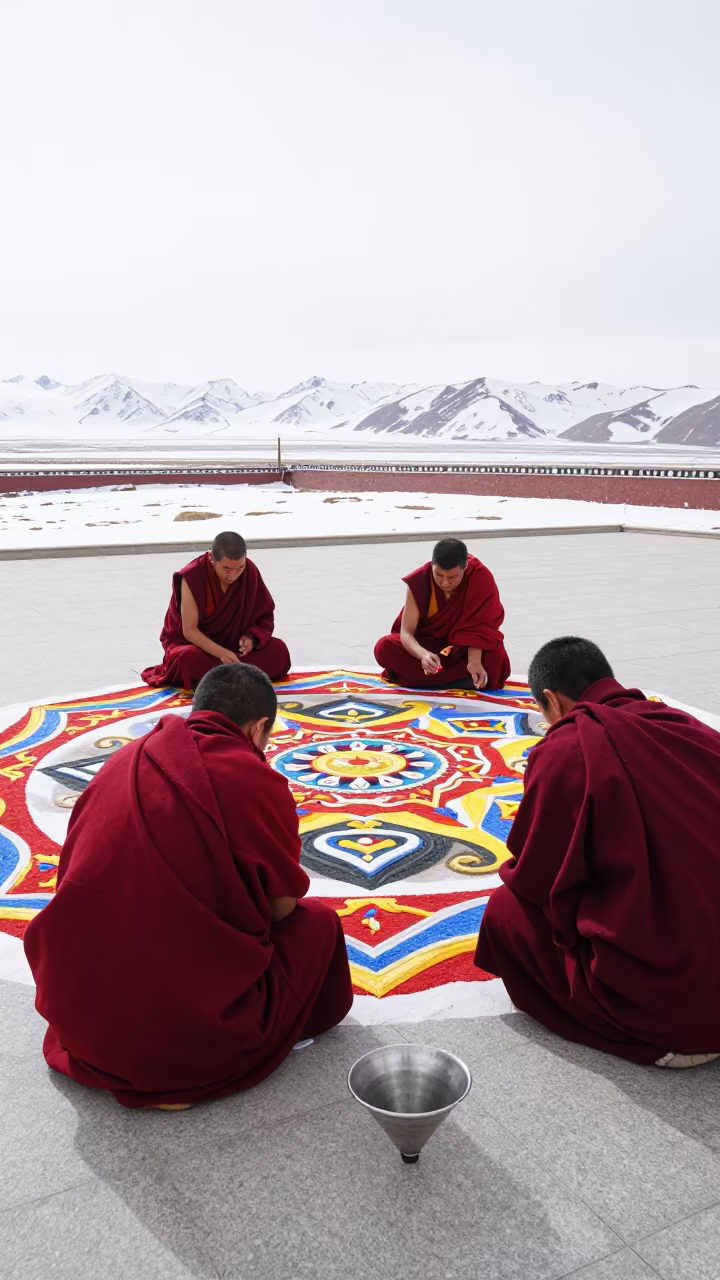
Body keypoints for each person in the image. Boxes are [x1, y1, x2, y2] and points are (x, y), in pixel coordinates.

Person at [24, 664, 353, 1109]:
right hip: (180, 1035)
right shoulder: (253, 779)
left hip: (78, 1009)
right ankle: (213, 1056)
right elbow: (281, 909)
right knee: (319, 926)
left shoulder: (129, 757)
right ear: (259, 730)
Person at [475, 636, 720, 1069]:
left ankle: (639, 1026)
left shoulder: (568, 749)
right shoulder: (687, 728)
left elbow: (536, 877)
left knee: (505, 911)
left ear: (551, 700)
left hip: (677, 1014)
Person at [142, 530, 291, 690]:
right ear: (212, 558)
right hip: (200, 649)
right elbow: (190, 631)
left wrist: (251, 639)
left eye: (239, 569)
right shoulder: (193, 575)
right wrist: (220, 653)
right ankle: (239, 675)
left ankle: (224, 676)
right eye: (226, 569)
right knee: (187, 659)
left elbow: (264, 615)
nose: (232, 576)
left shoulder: (250, 571)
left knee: (278, 650)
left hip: (234, 650)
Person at [374, 538, 510, 690]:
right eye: (438, 575)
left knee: (495, 658)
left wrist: (474, 662)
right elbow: (406, 632)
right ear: (432, 566)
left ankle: (423, 680)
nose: (445, 583)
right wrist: (423, 655)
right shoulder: (420, 580)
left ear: (465, 568)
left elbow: (480, 628)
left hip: (463, 649)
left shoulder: (480, 576)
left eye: (453, 577)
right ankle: (462, 682)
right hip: (430, 646)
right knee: (384, 647)